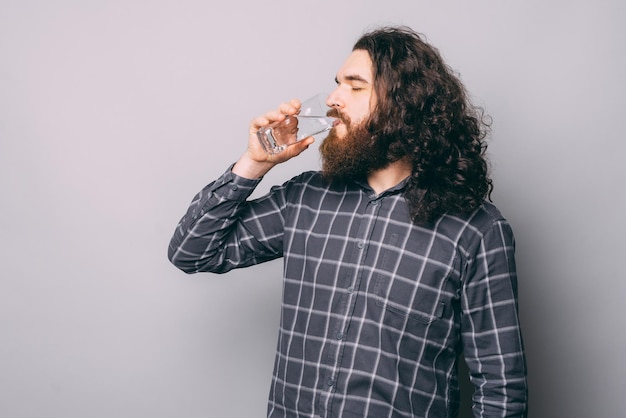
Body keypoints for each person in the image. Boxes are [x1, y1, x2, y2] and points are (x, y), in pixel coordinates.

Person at [168, 26, 528, 417]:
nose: (334, 99)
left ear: (405, 103)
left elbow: (500, 389)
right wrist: (254, 163)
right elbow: (192, 252)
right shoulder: (305, 197)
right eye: (337, 84)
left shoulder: (476, 230)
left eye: (354, 87)